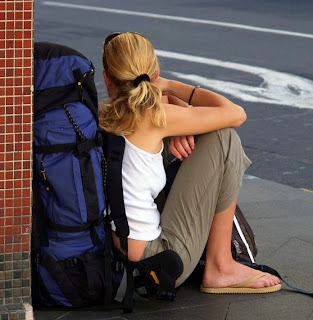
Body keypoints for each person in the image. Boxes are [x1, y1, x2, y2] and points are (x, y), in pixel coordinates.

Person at [99, 32, 281, 294]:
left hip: (121, 250)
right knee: (224, 138)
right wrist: (172, 87)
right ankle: (221, 266)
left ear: (107, 78)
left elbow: (157, 109)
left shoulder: (105, 111)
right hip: (160, 261)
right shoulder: (153, 116)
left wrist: (176, 121)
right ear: (156, 74)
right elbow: (235, 115)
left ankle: (221, 264)